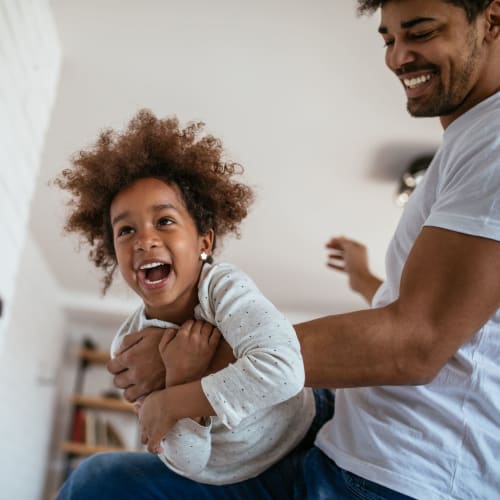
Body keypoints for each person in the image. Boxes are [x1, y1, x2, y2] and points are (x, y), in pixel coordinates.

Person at [63, 0, 500, 498]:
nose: (398, 56)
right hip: (348, 440)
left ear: (492, 19)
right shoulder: (469, 142)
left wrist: (183, 364)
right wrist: (368, 282)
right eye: (388, 39)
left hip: (402, 473)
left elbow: (420, 342)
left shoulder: (494, 141)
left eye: (419, 32)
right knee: (98, 481)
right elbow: (456, 319)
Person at [55, 110, 334, 496]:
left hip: (306, 431)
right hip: (233, 476)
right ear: (114, 254)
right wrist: (183, 375)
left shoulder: (221, 287)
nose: (144, 239)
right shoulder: (130, 347)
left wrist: (174, 400)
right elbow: (187, 462)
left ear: (204, 242)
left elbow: (285, 370)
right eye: (126, 230)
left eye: (164, 221)